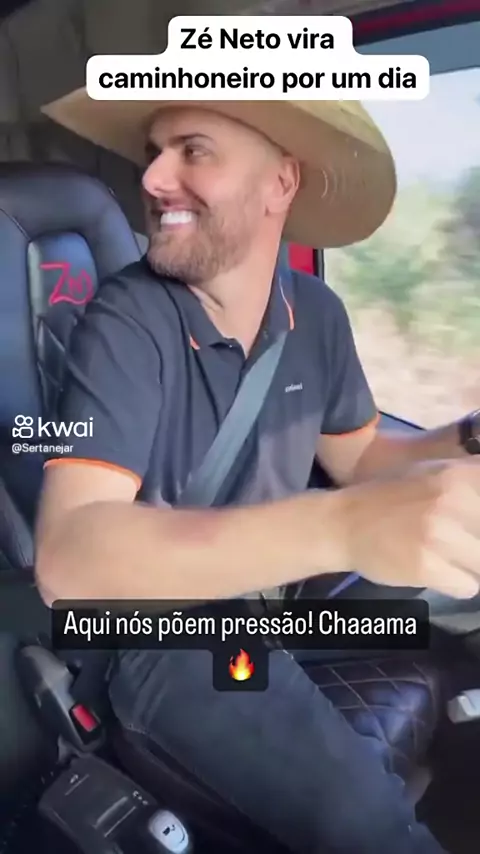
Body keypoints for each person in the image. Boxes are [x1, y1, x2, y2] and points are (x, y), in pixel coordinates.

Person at [33, 92, 480, 852]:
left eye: (193, 150)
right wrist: (342, 527)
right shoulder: (127, 318)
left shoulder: (317, 314)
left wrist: (468, 436)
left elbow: (364, 458)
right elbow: (70, 558)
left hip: (267, 610)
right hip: (163, 633)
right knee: (371, 826)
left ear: (281, 183)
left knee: (449, 640)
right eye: (154, 153)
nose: (154, 178)